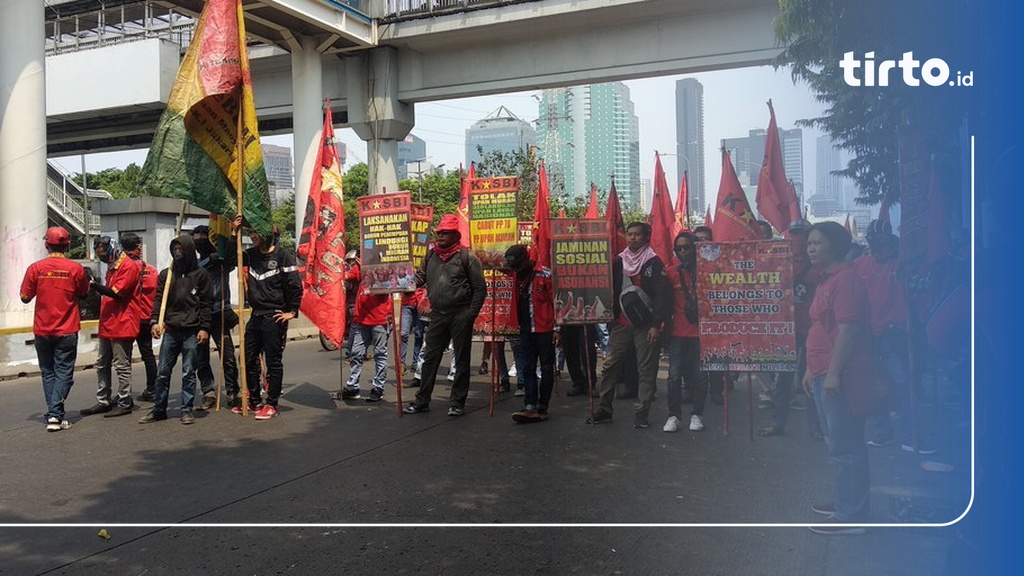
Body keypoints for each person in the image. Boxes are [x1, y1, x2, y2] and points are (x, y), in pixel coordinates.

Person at [803, 221, 874, 534]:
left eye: (817, 242)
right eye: (809, 243)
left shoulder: (845, 280)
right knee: (840, 443)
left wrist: (832, 374)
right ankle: (847, 500)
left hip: (839, 375)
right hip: (821, 372)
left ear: (835, 245)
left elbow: (848, 329)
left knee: (846, 445)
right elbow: (822, 326)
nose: (811, 248)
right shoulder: (827, 279)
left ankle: (852, 515)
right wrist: (810, 369)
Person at [854, 219, 934, 454]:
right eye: (875, 243)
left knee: (902, 385)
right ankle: (883, 433)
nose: (881, 249)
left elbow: (924, 286)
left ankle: (912, 436)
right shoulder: (859, 265)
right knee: (875, 385)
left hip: (896, 335)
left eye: (884, 244)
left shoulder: (903, 266)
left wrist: (934, 265)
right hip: (868, 336)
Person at [587, 222, 672, 428]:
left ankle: (642, 413)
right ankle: (605, 409)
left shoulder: (654, 263)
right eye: (630, 234)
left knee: (646, 370)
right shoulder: (618, 261)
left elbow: (662, 297)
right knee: (609, 366)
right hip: (621, 324)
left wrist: (656, 325)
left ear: (646, 237)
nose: (633, 238)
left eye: (637, 235)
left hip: (646, 325)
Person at [404, 214, 486, 416]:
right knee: (430, 358)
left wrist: (470, 314)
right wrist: (400, 284)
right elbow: (420, 279)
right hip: (437, 314)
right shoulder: (431, 255)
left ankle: (457, 402)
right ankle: (422, 400)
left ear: (455, 235)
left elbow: (480, 289)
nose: (440, 236)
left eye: (445, 233)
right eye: (438, 232)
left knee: (461, 359)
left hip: (460, 314)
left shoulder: (468, 257)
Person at [19, 227, 91, 431]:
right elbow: (84, 293)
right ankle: (55, 414)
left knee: (48, 372)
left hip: (42, 329)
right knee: (64, 372)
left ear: (46, 245)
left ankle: (54, 413)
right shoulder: (75, 269)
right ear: (67, 245)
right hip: (67, 329)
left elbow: (24, 297)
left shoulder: (35, 268)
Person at [233, 216, 303, 420]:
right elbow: (229, 258)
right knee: (246, 358)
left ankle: (271, 404)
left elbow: (295, 286)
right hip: (255, 316)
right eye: (250, 233)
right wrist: (234, 232)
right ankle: (253, 400)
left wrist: (292, 311)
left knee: (273, 362)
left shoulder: (282, 257)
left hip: (274, 317)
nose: (252, 236)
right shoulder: (250, 255)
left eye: (256, 233)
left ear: (267, 234)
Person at [139, 235, 213, 425]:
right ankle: (159, 409)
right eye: (175, 249)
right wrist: (155, 320)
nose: (177, 253)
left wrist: (204, 328)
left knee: (188, 372)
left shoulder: (201, 275)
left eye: (181, 249)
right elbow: (158, 299)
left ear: (189, 251)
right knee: (163, 372)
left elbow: (206, 304)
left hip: (191, 331)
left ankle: (186, 409)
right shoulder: (167, 274)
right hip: (171, 330)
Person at [760, 219, 823, 439]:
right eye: (794, 234)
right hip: (787, 329)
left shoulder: (819, 265)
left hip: (813, 329)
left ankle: (816, 426)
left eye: (802, 235)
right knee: (784, 379)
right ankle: (779, 422)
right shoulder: (780, 261)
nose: (798, 239)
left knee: (811, 378)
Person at [81, 234, 141, 418]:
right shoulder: (112, 266)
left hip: (123, 322)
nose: (102, 259)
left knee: (121, 365)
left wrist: (93, 285)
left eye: (103, 255)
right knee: (102, 363)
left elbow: (117, 293)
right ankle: (103, 400)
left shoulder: (128, 267)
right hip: (108, 322)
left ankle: (124, 401)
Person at [504, 245, 555, 423]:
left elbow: (556, 302)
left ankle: (543, 406)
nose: (515, 270)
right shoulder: (516, 274)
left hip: (546, 329)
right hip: (525, 329)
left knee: (547, 368)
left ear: (527, 259)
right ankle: (530, 405)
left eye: (518, 265)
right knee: (527, 368)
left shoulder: (545, 274)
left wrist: (558, 329)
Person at [663, 231, 707, 432]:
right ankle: (673, 416)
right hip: (678, 333)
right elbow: (663, 302)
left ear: (695, 247)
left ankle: (697, 414)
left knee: (700, 376)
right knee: (673, 377)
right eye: (678, 248)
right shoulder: (671, 272)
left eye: (687, 247)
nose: (683, 251)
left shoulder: (707, 271)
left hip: (702, 333)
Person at [192, 224, 241, 409]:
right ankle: (208, 392)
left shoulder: (221, 262)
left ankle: (232, 391)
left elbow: (230, 255)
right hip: (199, 315)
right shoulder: (194, 264)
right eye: (195, 239)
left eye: (202, 238)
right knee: (201, 358)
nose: (199, 242)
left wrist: (233, 234)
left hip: (219, 313)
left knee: (227, 355)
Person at [339, 272, 392, 403]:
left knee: (380, 354)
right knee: (356, 353)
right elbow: (346, 274)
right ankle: (352, 387)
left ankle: (378, 387)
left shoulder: (384, 270)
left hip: (379, 319)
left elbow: (390, 286)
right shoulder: (361, 267)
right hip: (361, 320)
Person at [122, 234, 158, 404]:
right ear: (139, 247)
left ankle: (124, 394)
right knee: (148, 355)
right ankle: (153, 388)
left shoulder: (123, 269)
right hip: (147, 318)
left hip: (129, 318)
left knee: (124, 358)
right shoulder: (151, 270)